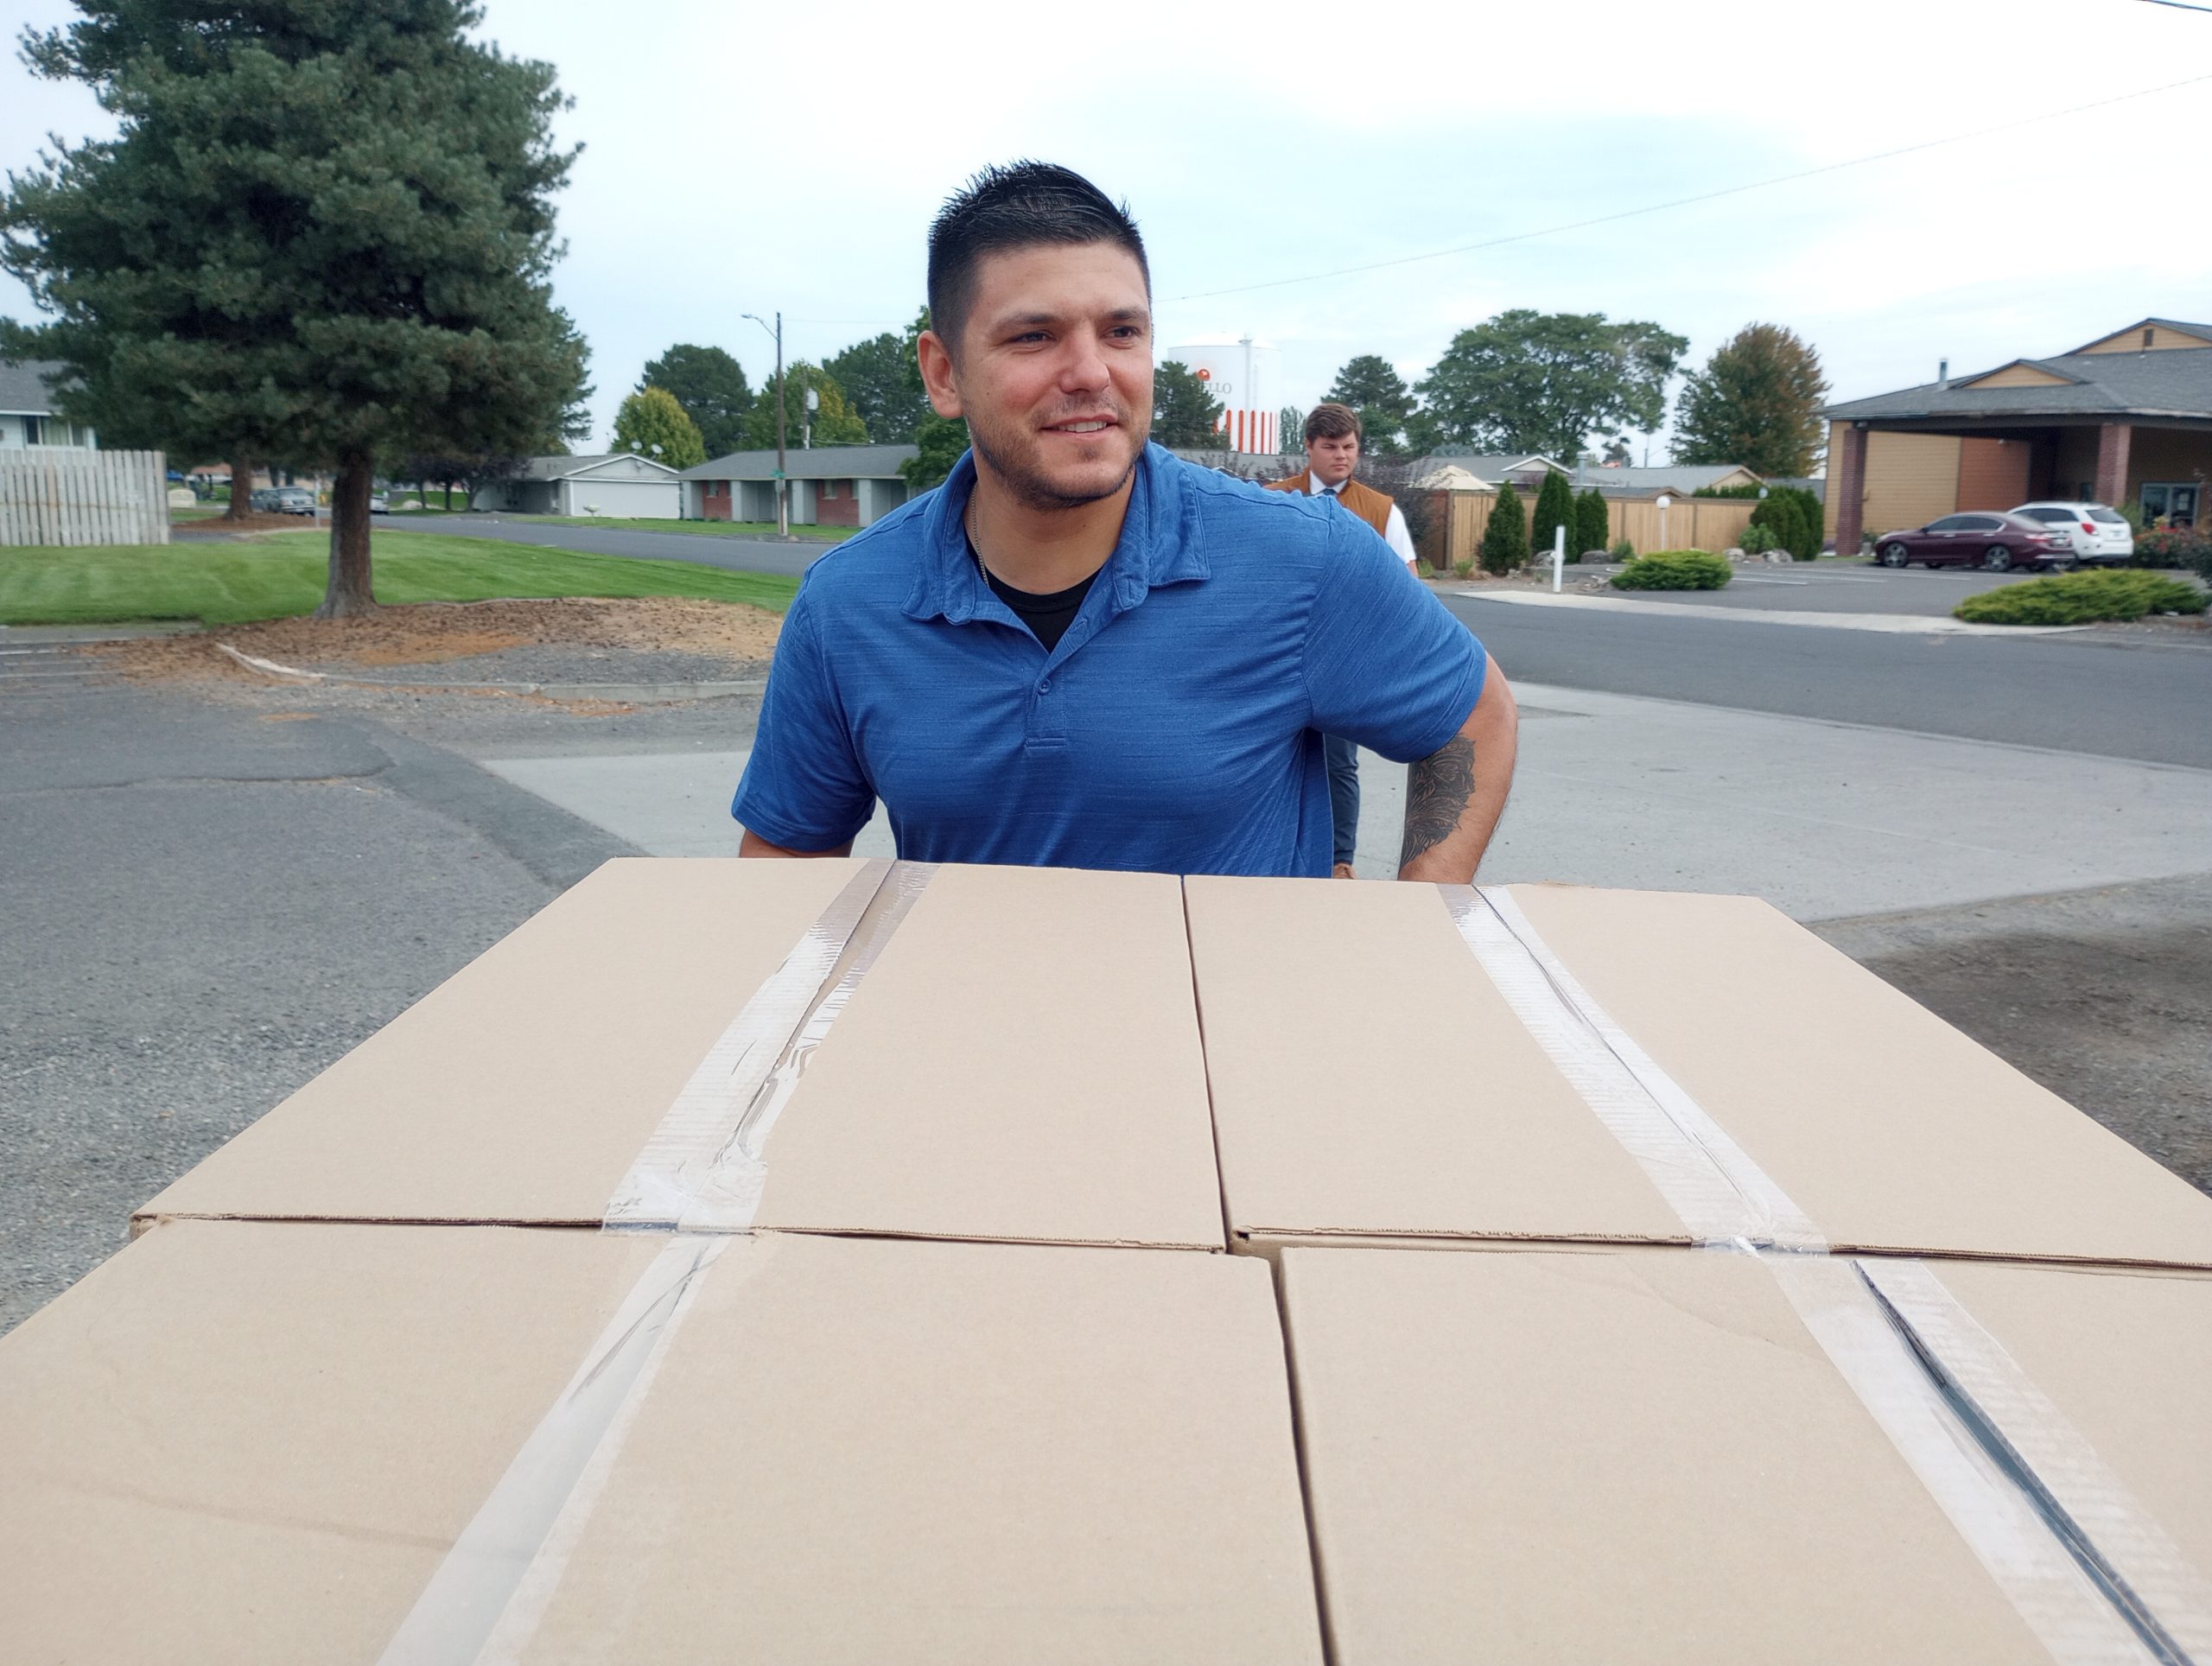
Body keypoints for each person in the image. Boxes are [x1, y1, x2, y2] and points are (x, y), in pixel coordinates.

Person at [733, 161, 1516, 881]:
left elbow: (1474, 712)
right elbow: (786, 860)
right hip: (971, 1027)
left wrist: (1419, 926)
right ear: (944, 372)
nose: (1089, 373)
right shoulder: (847, 605)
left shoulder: (1302, 559)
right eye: (1034, 336)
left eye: (1122, 331)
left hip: (1232, 1032)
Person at [1268, 404, 1417, 876]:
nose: (1341, 456)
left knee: (1337, 762)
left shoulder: (1381, 510)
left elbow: (1409, 588)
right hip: (1276, 654)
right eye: (1330, 447)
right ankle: (1268, 851)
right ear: (1308, 447)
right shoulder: (1272, 499)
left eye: (1349, 447)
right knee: (1267, 757)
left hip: (1343, 660)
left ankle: (1339, 860)